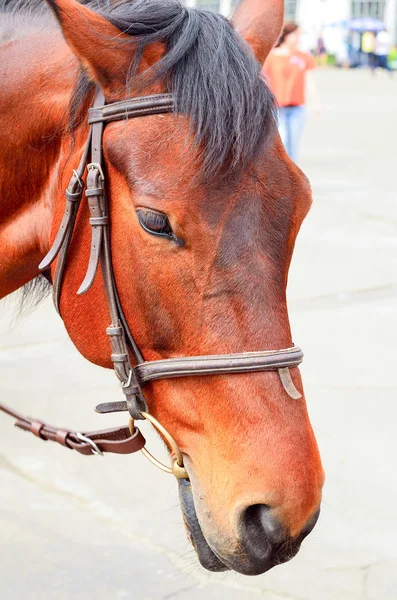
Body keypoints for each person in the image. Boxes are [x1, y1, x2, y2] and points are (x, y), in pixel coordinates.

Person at [263, 23, 320, 164]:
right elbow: (264, 81)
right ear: (286, 35)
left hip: (297, 108)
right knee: (283, 142)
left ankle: (291, 178)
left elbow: (310, 81)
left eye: (300, 34)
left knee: (293, 145)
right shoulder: (271, 57)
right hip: (277, 108)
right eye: (295, 34)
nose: (298, 38)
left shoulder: (304, 56)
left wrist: (316, 103)